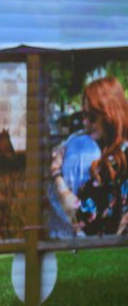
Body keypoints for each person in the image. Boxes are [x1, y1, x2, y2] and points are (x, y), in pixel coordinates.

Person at [50, 76, 128, 237]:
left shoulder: (116, 161)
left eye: (92, 117)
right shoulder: (116, 153)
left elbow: (81, 218)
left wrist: (56, 173)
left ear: (109, 115)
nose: (85, 123)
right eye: (83, 115)